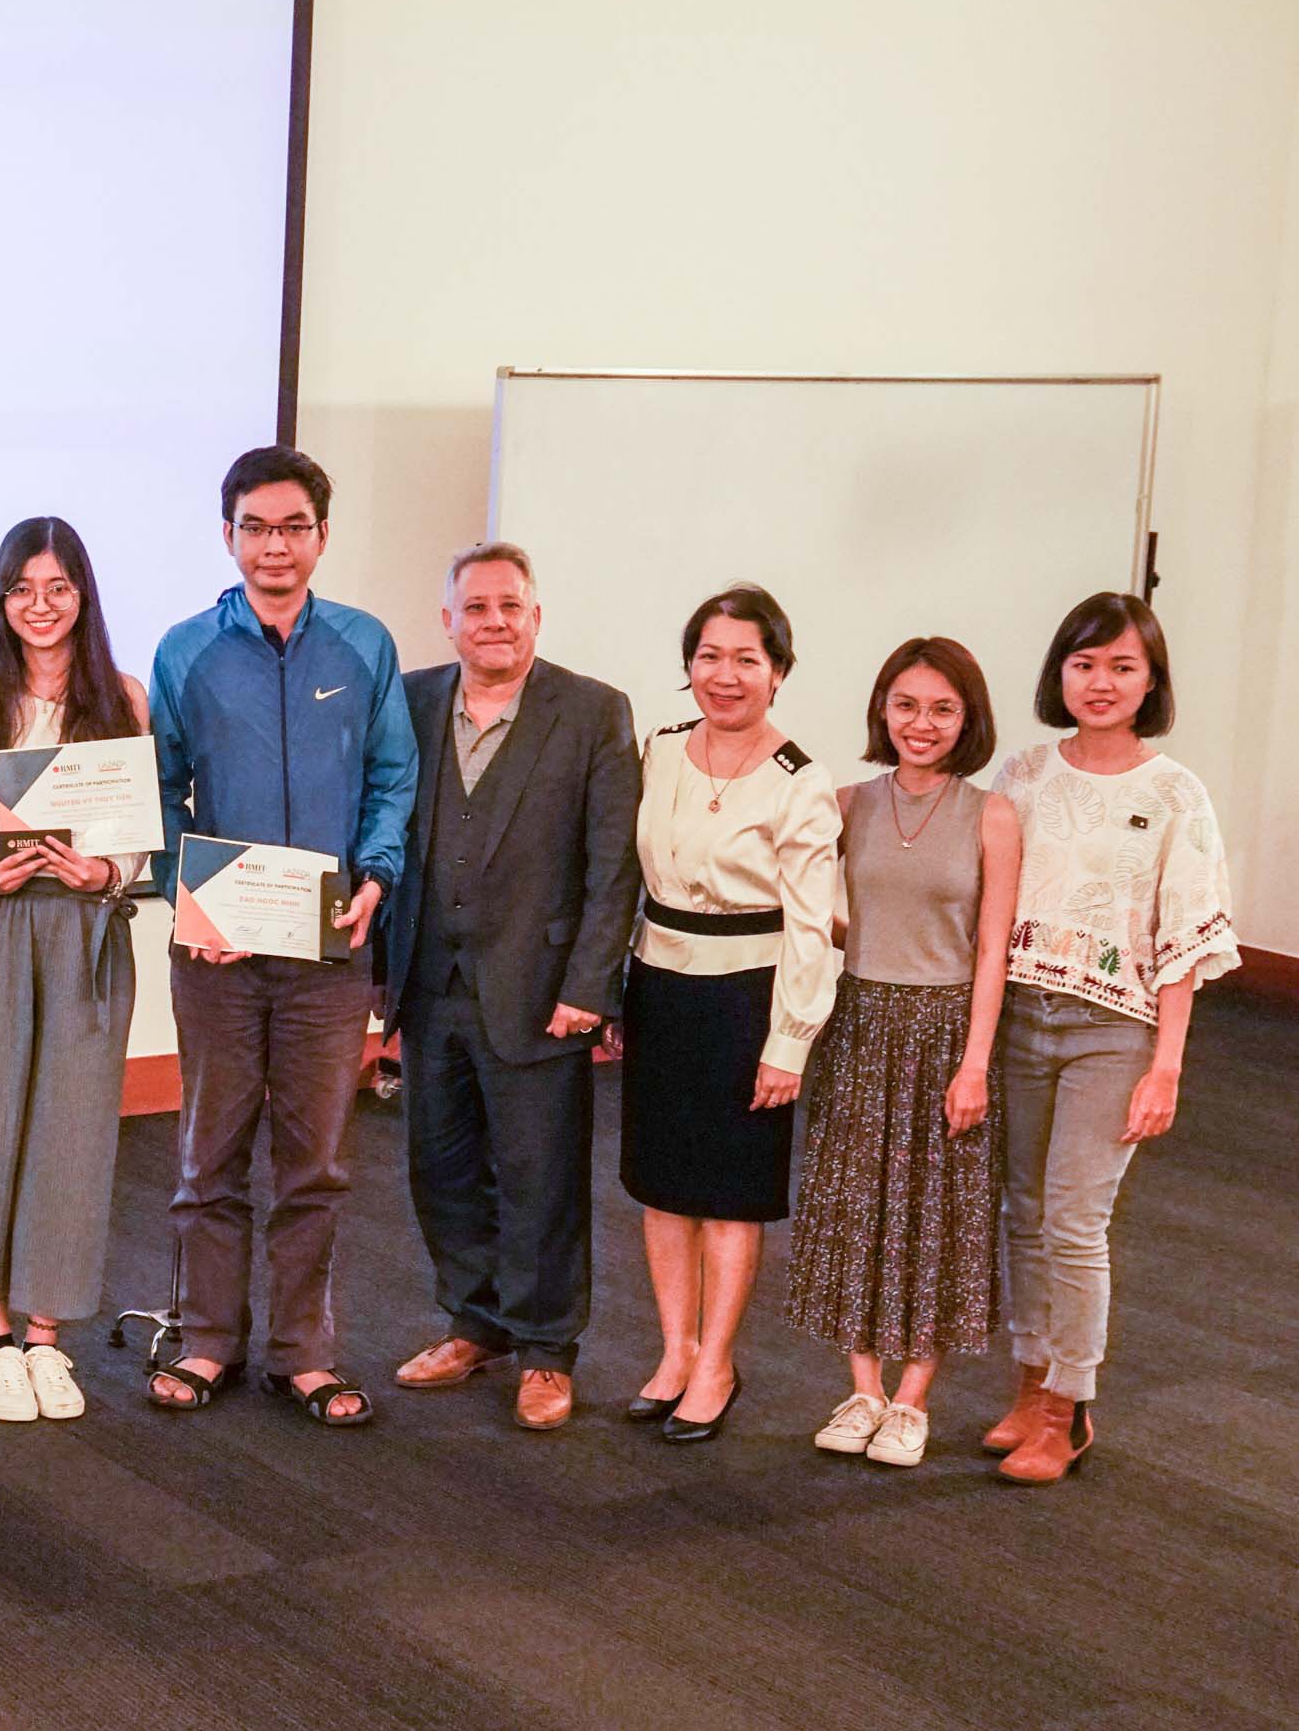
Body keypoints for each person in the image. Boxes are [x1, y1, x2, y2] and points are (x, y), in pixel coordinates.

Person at [146, 447, 414, 1426]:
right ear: (229, 536)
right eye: (255, 527)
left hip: (329, 948)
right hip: (216, 951)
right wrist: (190, 902)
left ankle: (305, 1350)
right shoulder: (186, 650)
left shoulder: (363, 645)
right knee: (206, 1157)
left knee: (317, 1160)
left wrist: (377, 872)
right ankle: (210, 1336)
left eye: (293, 526)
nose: (274, 545)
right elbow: (159, 793)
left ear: (321, 536)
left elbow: (392, 776)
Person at [380, 544, 639, 1432]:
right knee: (440, 1167)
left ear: (536, 616)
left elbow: (613, 868)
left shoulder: (593, 712)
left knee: (540, 1177)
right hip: (425, 982)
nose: (494, 622)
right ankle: (474, 1322)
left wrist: (591, 986)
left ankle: (544, 1350)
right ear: (447, 620)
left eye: (510, 607)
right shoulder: (408, 701)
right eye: (476, 608)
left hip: (540, 990)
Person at [984, 593, 1236, 1483]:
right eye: (1084, 664)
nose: (1100, 682)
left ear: (1150, 682)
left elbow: (1184, 941)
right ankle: (1028, 1381)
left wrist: (1164, 1066)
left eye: (1122, 667)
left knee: (1073, 1220)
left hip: (1111, 1030)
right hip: (1018, 1018)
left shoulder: (1173, 793)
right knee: (1019, 1214)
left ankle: (1068, 1406)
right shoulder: (1020, 776)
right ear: (1060, 671)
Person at [0, 518, 146, 1424]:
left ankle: (45, 1337)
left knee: (73, 1133)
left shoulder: (120, 696)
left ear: (82, 595)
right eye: (21, 589)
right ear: (0, 600)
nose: (39, 606)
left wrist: (104, 871)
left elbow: (134, 830)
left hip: (85, 930)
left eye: (56, 587)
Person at [786, 638, 1019, 1469]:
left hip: (948, 1026)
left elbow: (991, 948)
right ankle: (862, 1391)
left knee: (937, 1213)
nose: (922, 724)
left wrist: (974, 1062)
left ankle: (912, 1400)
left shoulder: (989, 813)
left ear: (968, 718)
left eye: (942, 709)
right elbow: (815, 911)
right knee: (853, 1204)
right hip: (859, 1019)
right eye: (907, 705)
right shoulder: (848, 801)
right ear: (883, 709)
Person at [617, 584, 840, 1443]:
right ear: (688, 666)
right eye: (708, 656)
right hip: (661, 988)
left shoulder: (800, 783)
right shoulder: (661, 751)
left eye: (746, 658)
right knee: (662, 1185)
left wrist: (789, 1043)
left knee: (729, 1195)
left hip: (748, 999)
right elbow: (627, 881)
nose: (725, 674)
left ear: (777, 672)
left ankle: (716, 1360)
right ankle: (673, 1350)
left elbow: (811, 927)